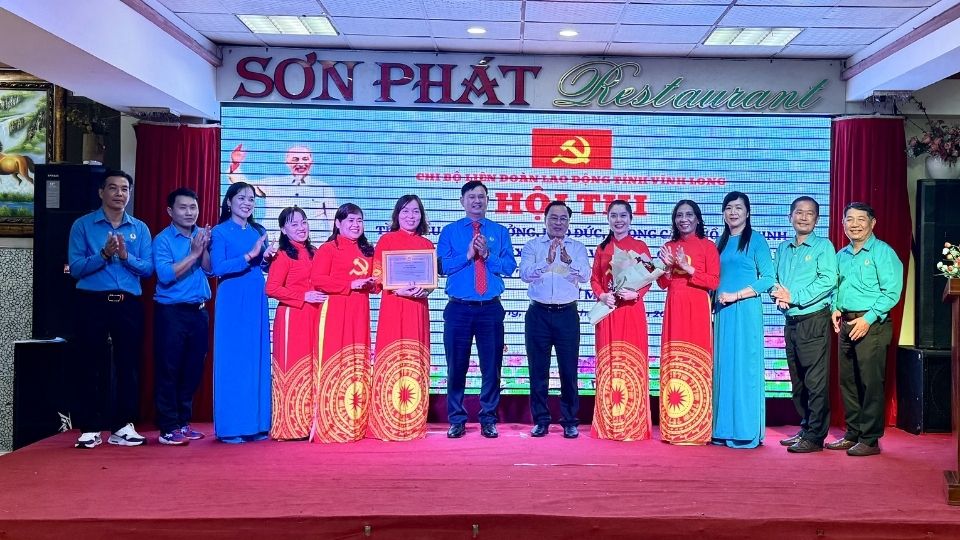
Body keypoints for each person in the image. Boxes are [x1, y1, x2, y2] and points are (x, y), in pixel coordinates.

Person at [67, 170, 153, 449]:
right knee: (89, 363)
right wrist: (104, 254)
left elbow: (149, 268)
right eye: (113, 188)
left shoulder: (139, 228)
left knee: (128, 365)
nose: (119, 194)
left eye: (125, 189)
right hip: (91, 302)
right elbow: (77, 268)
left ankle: (123, 426)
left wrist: (126, 257)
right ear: (101, 192)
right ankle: (90, 427)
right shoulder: (83, 225)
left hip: (128, 303)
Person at [438, 180, 517, 439]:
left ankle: (488, 419)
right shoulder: (450, 232)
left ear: (487, 200)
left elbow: (508, 268)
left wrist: (487, 254)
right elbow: (442, 267)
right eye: (471, 197)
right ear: (462, 201)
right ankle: (457, 419)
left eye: (482, 197)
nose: (477, 201)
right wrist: (469, 254)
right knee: (456, 366)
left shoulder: (499, 231)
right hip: (458, 309)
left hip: (490, 309)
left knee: (491, 366)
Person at [826, 202, 903, 457]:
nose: (855, 224)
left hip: (873, 324)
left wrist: (868, 318)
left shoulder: (883, 253)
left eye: (861, 219)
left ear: (872, 223)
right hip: (846, 322)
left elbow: (891, 292)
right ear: (843, 224)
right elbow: (835, 287)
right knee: (848, 381)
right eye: (849, 219)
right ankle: (853, 433)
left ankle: (870, 439)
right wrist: (835, 307)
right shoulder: (840, 255)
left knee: (870, 382)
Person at [770, 197, 837, 454]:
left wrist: (794, 296)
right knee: (797, 380)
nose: (804, 217)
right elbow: (774, 279)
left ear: (817, 220)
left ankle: (815, 436)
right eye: (799, 213)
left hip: (814, 320)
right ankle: (806, 426)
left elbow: (828, 280)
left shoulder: (823, 247)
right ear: (790, 217)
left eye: (810, 214)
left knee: (815, 381)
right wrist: (778, 296)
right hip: (791, 322)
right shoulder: (784, 248)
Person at [520, 200, 591, 439]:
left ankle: (570, 421)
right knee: (538, 371)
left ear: (569, 222)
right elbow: (524, 275)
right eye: (554, 218)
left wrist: (568, 260)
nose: (558, 223)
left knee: (568, 370)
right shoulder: (532, 246)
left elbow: (586, 276)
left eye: (563, 218)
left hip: (567, 315)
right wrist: (547, 261)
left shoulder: (578, 248)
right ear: (545, 219)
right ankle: (541, 420)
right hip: (537, 314)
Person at [712, 191, 775, 449]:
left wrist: (737, 295)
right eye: (729, 208)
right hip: (722, 313)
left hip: (746, 310)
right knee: (724, 370)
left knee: (744, 369)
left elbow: (768, 279)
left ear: (748, 213)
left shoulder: (757, 241)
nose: (733, 212)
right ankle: (723, 429)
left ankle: (746, 431)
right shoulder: (720, 241)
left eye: (738, 208)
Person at [310, 203, 377, 443]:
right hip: (335, 312)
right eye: (350, 220)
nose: (355, 225)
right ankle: (330, 423)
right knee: (335, 363)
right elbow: (317, 280)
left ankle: (355, 423)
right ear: (338, 223)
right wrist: (350, 285)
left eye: (359, 220)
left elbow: (378, 283)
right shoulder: (328, 249)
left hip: (360, 313)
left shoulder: (368, 250)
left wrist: (373, 284)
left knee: (357, 363)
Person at [210, 182, 271, 443]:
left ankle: (256, 425)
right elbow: (217, 268)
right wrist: (250, 255)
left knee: (255, 359)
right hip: (232, 298)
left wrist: (267, 258)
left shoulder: (258, 230)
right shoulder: (219, 232)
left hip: (257, 295)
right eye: (242, 198)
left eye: (251, 199)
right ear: (229, 202)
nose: (247, 202)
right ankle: (231, 427)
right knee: (233, 361)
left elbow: (263, 266)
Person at [369, 195, 434, 441]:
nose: (411, 216)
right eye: (406, 211)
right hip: (394, 306)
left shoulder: (427, 244)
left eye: (416, 211)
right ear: (397, 214)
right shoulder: (386, 240)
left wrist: (425, 289)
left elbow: (431, 283)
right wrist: (396, 288)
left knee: (414, 359)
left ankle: (414, 424)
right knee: (392, 359)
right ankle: (387, 423)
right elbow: (376, 276)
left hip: (418, 307)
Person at [152, 188, 212, 446]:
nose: (190, 213)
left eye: (193, 208)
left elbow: (210, 270)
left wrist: (204, 249)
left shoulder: (201, 235)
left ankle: (183, 422)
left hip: (199, 312)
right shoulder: (163, 240)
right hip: (171, 313)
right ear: (170, 211)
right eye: (183, 208)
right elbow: (165, 275)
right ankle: (168, 427)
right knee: (169, 369)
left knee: (192, 370)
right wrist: (193, 254)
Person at [657, 200, 720, 445]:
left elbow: (714, 282)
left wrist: (688, 268)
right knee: (674, 361)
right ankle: (673, 428)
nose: (684, 219)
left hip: (697, 309)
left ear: (697, 219)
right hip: (674, 307)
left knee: (697, 360)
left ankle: (696, 429)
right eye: (679, 215)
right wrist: (668, 269)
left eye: (689, 214)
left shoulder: (708, 246)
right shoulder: (668, 246)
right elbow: (662, 284)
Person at [590, 200, 654, 441]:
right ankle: (609, 424)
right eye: (614, 216)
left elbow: (649, 277)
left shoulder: (639, 246)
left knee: (631, 364)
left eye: (623, 215)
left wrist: (637, 293)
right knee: (610, 363)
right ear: (608, 219)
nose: (619, 220)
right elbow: (595, 279)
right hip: (609, 312)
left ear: (631, 218)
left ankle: (633, 425)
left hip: (632, 311)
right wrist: (602, 295)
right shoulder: (602, 248)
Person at [265, 206, 327, 441]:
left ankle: (310, 423)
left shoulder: (315, 252)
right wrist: (303, 297)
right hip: (292, 316)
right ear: (283, 229)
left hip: (315, 315)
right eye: (293, 224)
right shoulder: (282, 255)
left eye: (303, 222)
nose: (301, 228)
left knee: (313, 368)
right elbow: (271, 288)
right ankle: (289, 427)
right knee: (293, 368)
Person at [228, 143, 337, 233]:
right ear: (287, 162)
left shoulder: (324, 189)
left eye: (305, 159)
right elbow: (244, 186)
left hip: (312, 248)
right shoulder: (273, 184)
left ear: (311, 162)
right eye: (295, 159)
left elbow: (333, 220)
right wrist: (235, 164)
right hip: (275, 247)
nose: (301, 163)